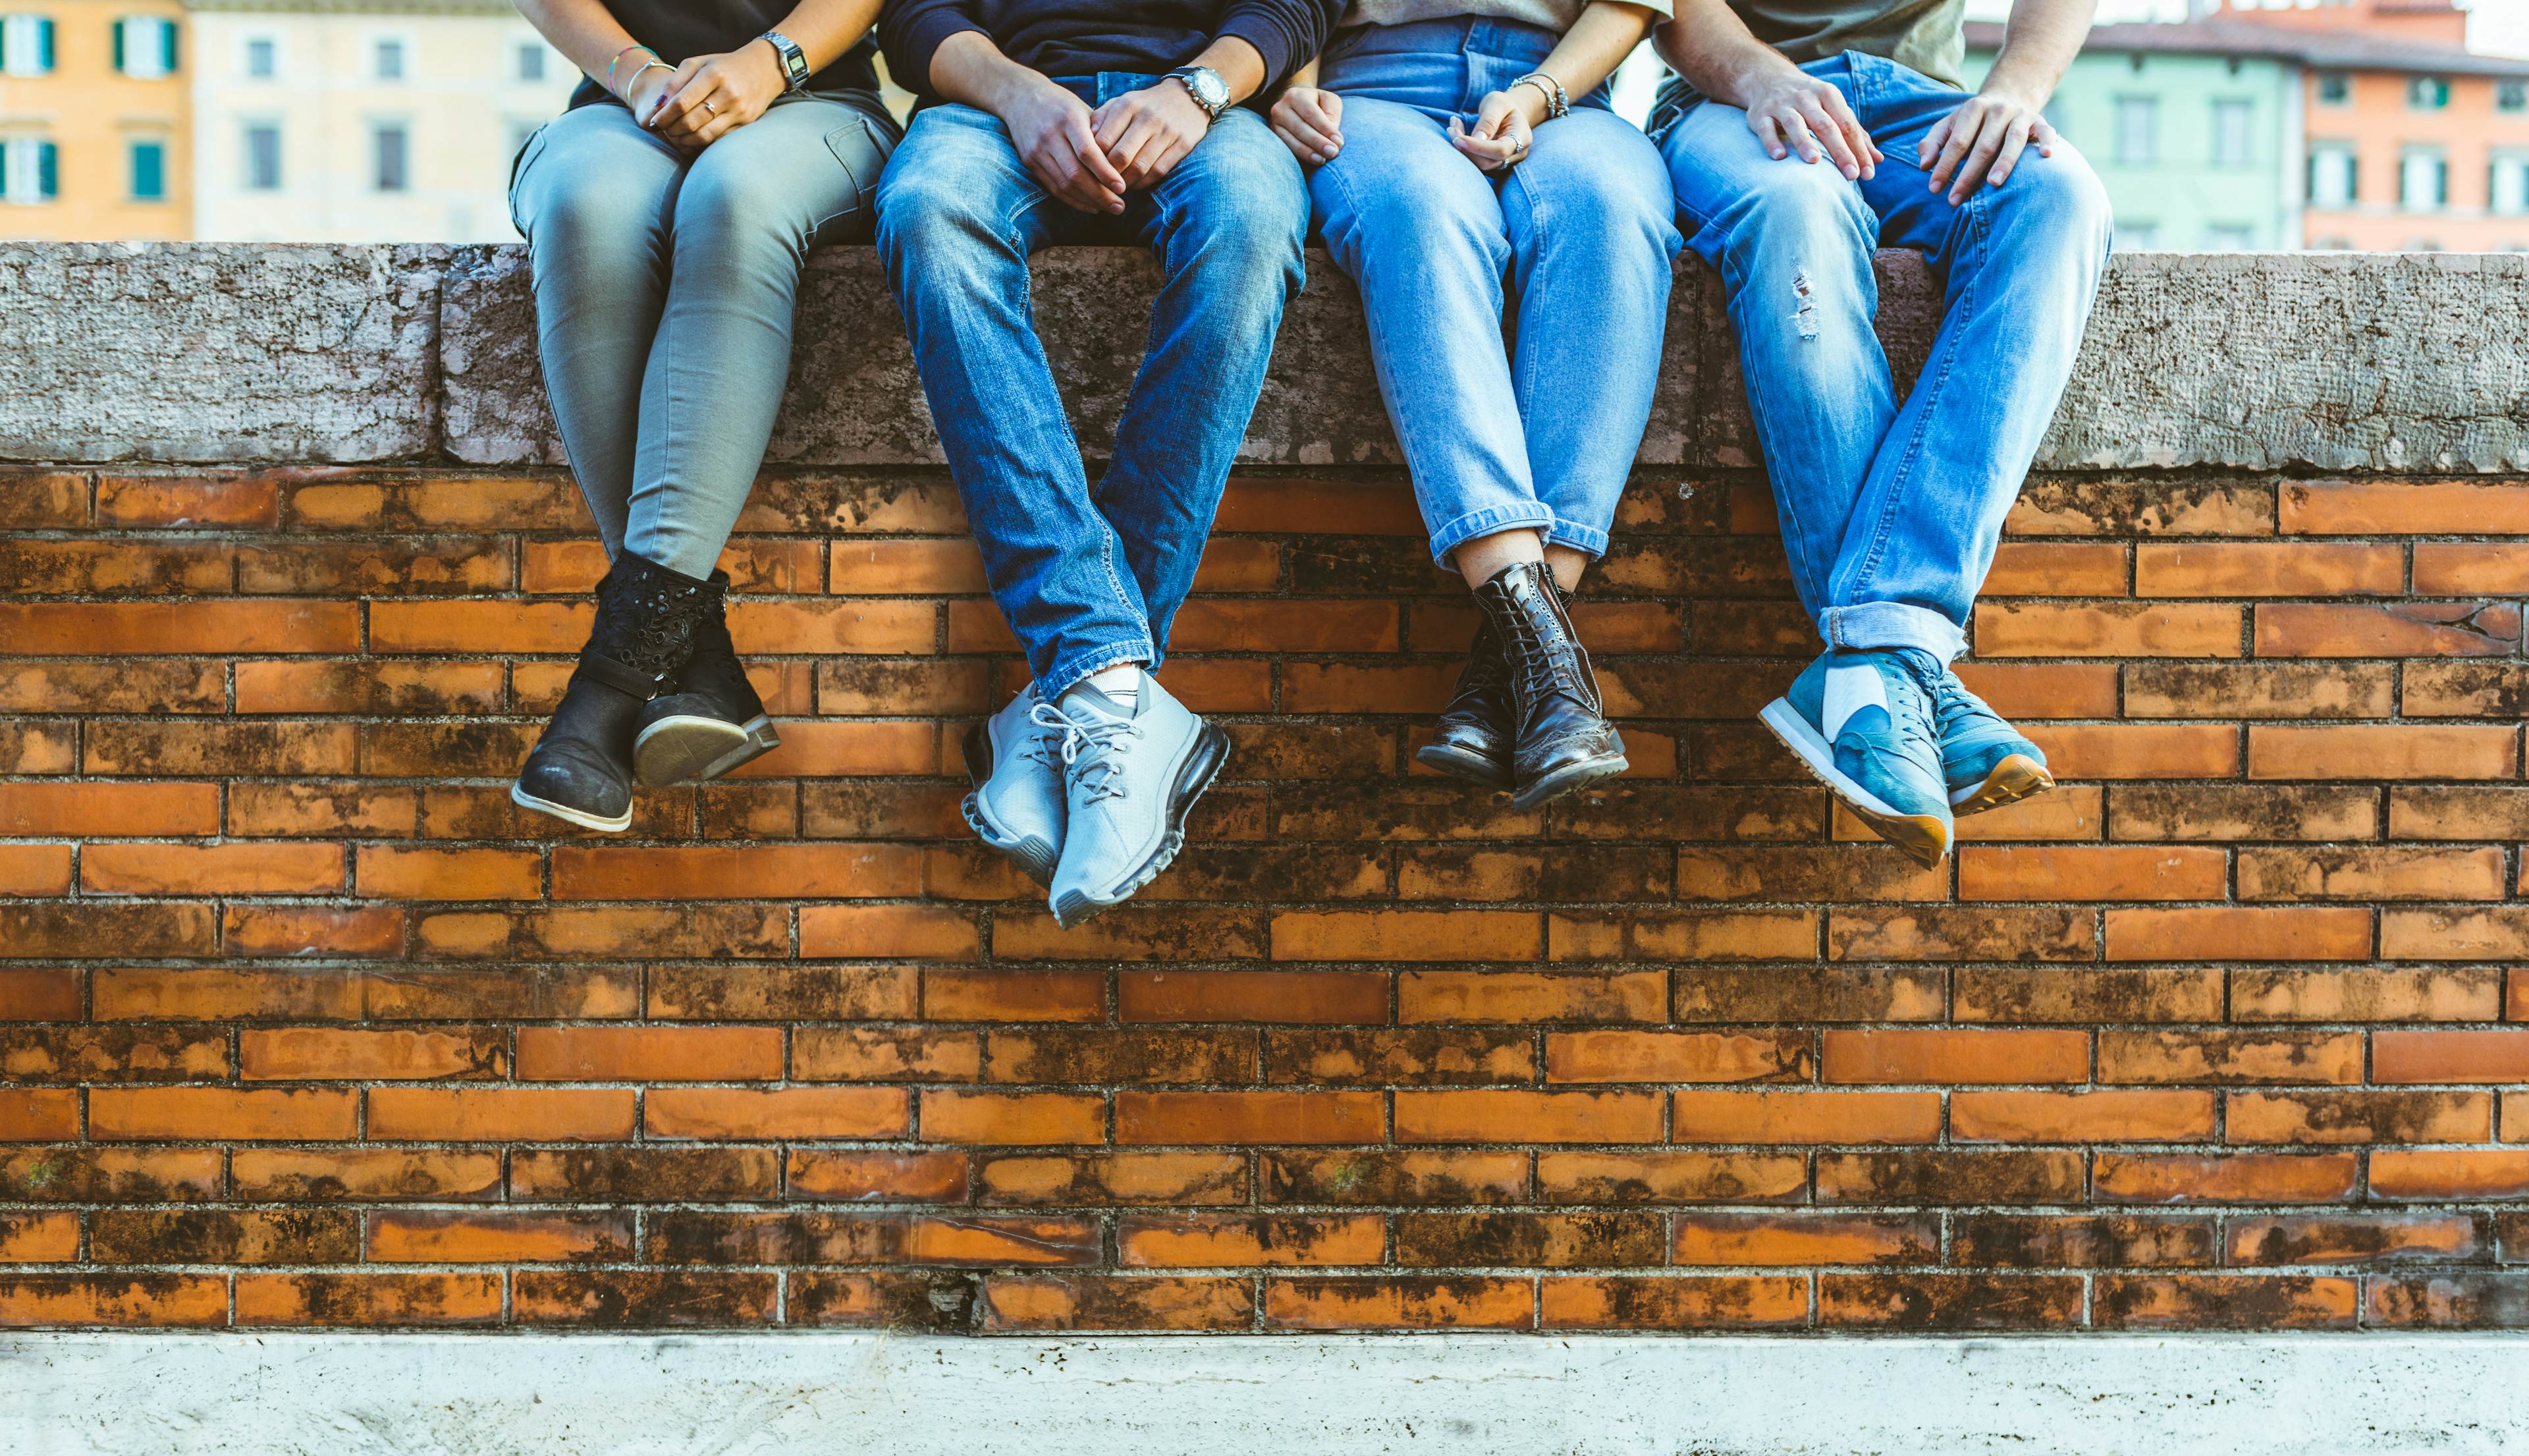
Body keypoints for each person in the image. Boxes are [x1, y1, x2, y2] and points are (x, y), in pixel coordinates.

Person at [874, 0, 1334, 925]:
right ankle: (1114, 693)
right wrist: (1019, 94)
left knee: (1250, 224)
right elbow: (910, 12)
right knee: (928, 210)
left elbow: (1301, 4)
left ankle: (1070, 690)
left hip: (1212, 109)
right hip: (991, 108)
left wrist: (1196, 91)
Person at [1652, 0, 2109, 865]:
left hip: (1918, 107)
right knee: (1799, 208)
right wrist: (1763, 78)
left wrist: (2014, 90)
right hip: (1728, 107)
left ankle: (1878, 658)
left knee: (2061, 198)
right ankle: (1906, 661)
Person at [506, 0, 899, 832]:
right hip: (621, 106)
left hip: (819, 104)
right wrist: (638, 74)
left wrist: (772, 62)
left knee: (736, 198)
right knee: (583, 209)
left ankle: (612, 685)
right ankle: (693, 657)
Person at [1272, 6, 1677, 812]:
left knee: (1612, 212)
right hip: (1368, 89)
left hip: (1565, 89)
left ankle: (1515, 663)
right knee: (1422, 214)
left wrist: (1533, 94)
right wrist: (1293, 87)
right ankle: (1548, 667)